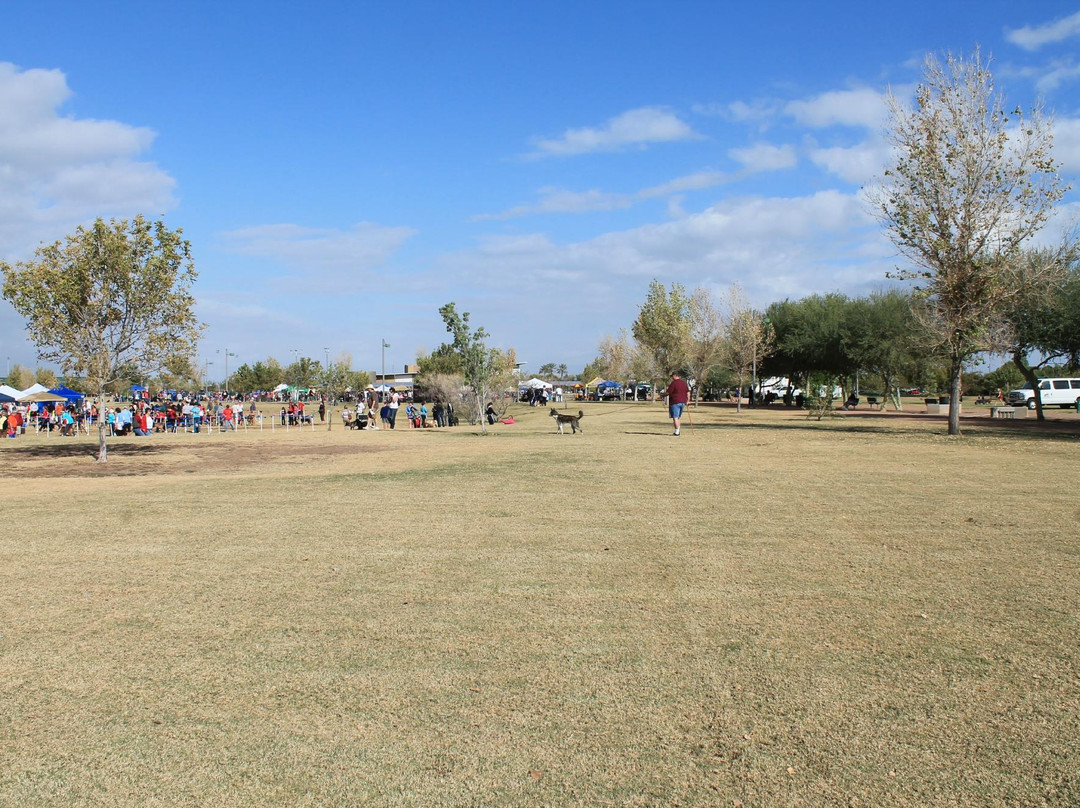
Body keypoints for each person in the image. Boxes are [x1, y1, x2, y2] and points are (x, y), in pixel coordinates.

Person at [659, 370, 690, 436]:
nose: (672, 378)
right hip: (683, 402)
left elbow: (668, 392)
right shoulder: (684, 383)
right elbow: (688, 392)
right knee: (678, 417)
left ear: (675, 376)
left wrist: (662, 396)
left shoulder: (674, 383)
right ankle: (678, 431)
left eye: (672, 376)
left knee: (675, 417)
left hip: (675, 402)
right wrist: (688, 400)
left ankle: (677, 432)